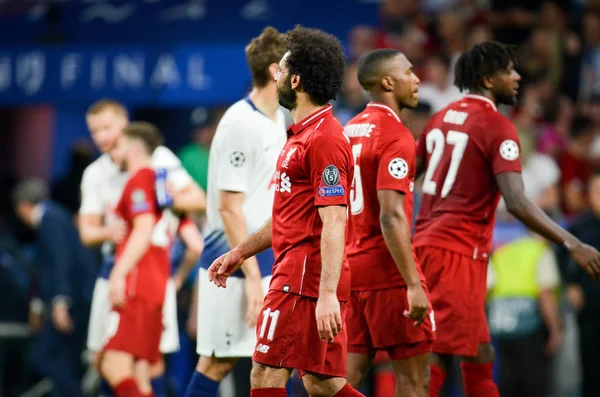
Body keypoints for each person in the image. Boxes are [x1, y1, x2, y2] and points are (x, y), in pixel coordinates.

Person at [413, 41, 600, 397]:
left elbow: (408, 173)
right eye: (509, 70)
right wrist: (572, 242)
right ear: (487, 77)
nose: (516, 77)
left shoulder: (440, 118)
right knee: (437, 358)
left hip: (433, 246)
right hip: (455, 252)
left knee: (481, 352)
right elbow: (515, 201)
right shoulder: (496, 126)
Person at [208, 26, 365, 397]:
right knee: (321, 383)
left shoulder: (324, 138)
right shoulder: (301, 134)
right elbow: (285, 216)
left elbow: (335, 220)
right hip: (299, 270)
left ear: (295, 80)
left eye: (280, 69)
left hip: (304, 276)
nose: (274, 75)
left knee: (264, 374)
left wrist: (326, 294)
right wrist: (240, 252)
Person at [183, 26, 288, 397]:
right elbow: (229, 208)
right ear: (278, 70)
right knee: (217, 362)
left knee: (276, 364)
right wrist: (253, 276)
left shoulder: (278, 120)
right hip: (232, 265)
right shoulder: (240, 123)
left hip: (267, 258)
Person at [79, 99, 205, 397]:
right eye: (94, 130)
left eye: (107, 128)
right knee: (144, 366)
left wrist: (121, 273)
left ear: (128, 132)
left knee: (111, 362)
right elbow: (194, 243)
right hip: (150, 271)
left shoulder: (150, 169)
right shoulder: (101, 172)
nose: (100, 137)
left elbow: (149, 224)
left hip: (132, 271)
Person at [343, 48, 434, 397]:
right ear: (387, 82)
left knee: (347, 381)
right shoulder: (396, 136)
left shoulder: (348, 130)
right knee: (414, 382)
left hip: (352, 273)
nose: (417, 79)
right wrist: (412, 283)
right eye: (409, 72)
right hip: (388, 273)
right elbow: (390, 213)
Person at [12, 178, 97, 397]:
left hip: (72, 301)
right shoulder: (58, 215)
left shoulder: (50, 219)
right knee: (66, 362)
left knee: (43, 356)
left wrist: (60, 302)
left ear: (23, 206)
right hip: (78, 298)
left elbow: (61, 262)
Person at [488, 233, 562, 397]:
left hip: (501, 325)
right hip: (530, 328)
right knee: (533, 385)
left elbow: (488, 285)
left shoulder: (504, 250)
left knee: (506, 383)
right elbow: (545, 294)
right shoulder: (540, 251)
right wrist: (555, 330)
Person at [562, 170, 600, 397]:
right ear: (588, 196)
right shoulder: (578, 227)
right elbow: (562, 255)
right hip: (590, 308)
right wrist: (571, 284)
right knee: (591, 368)